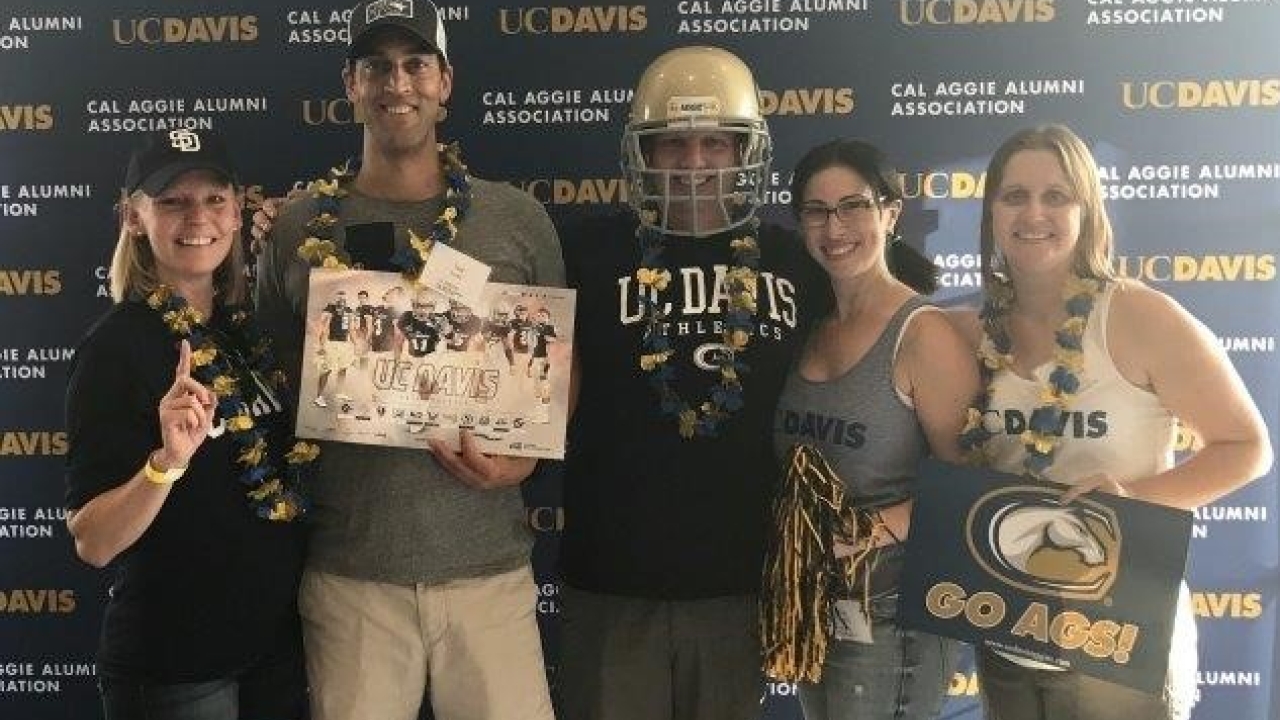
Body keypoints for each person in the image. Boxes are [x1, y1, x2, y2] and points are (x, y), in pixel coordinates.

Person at [253, 1, 564, 719]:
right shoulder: (300, 226)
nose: (398, 82)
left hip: (488, 574)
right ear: (351, 85)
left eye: (415, 63)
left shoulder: (515, 219)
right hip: (350, 576)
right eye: (377, 66)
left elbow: (560, 365)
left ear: (445, 82)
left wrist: (526, 460)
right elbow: (271, 372)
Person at [950, 124, 1273, 720]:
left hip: (1120, 638)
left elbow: (1248, 447)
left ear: (1087, 210)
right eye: (1014, 195)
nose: (1034, 213)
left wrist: (1130, 502)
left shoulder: (1137, 315)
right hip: (1009, 630)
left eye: (1057, 196)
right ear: (991, 208)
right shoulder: (973, 332)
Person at [557, 45, 831, 720]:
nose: (695, 163)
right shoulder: (584, 251)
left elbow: (892, 323)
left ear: (746, 152)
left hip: (739, 587)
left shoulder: (799, 261)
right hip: (611, 584)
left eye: (715, 143)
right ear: (642, 154)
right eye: (673, 145)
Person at [64, 129, 311, 720]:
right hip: (177, 668)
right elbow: (93, 541)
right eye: (172, 200)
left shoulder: (246, 333)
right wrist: (166, 462)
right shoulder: (118, 347)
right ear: (133, 217)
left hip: (275, 656)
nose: (196, 217)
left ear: (236, 212)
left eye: (214, 199)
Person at [764, 139, 977, 720]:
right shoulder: (809, 325)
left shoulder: (923, 334)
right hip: (814, 605)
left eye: (853, 205)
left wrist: (873, 529)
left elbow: (970, 486)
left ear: (890, 211)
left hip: (893, 612)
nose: (835, 227)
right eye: (817, 210)